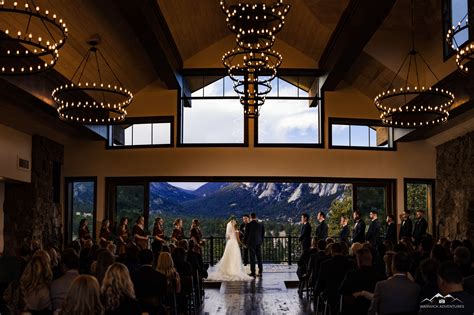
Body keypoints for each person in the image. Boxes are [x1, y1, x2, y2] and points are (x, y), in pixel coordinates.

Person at [340, 248, 385, 315]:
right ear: (371, 259)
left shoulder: (351, 274)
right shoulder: (380, 275)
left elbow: (342, 291)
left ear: (358, 260)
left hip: (354, 310)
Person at [131, 249, 167, 314]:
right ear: (153, 260)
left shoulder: (132, 276)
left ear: (139, 260)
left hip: (138, 309)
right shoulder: (161, 277)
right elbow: (163, 294)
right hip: (156, 310)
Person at [244, 212, 265, 278]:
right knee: (259, 257)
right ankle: (260, 271)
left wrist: (245, 243)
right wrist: (261, 241)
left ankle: (253, 272)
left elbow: (246, 235)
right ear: (256, 217)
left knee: (252, 258)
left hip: (251, 243)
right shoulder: (261, 225)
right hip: (258, 242)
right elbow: (262, 234)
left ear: (250, 217)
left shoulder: (248, 225)